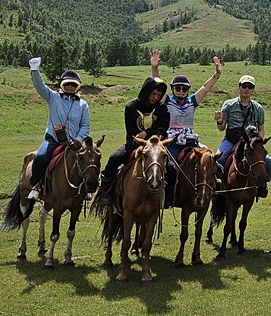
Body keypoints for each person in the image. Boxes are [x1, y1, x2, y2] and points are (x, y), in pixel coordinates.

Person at [150, 50, 222, 207]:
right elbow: (158, 83)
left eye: (184, 89)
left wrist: (217, 74)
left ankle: (213, 189)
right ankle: (169, 195)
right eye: (178, 88)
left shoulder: (192, 101)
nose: (181, 91)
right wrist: (154, 68)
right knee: (170, 167)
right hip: (173, 142)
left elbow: (205, 88)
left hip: (190, 140)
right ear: (172, 89)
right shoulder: (167, 101)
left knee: (211, 161)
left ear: (188, 90)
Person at [96, 74, 170, 205]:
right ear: (147, 91)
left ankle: (168, 196)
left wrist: (146, 132)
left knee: (172, 167)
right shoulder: (131, 108)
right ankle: (105, 192)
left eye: (159, 95)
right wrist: (143, 136)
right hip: (135, 144)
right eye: (153, 94)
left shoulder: (161, 108)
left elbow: (163, 127)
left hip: (156, 147)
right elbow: (132, 132)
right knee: (114, 159)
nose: (156, 97)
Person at [26, 58, 90, 200]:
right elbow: (40, 87)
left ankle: (86, 188)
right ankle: (36, 185)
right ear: (62, 85)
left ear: (77, 87)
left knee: (89, 159)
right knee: (41, 157)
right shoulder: (53, 97)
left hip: (75, 142)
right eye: (67, 84)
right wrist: (35, 71)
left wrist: (78, 140)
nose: (70, 87)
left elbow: (85, 126)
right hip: (54, 139)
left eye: (73, 85)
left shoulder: (83, 105)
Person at [213, 74, 271, 198]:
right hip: (231, 140)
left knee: (267, 161)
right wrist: (219, 121)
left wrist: (259, 142)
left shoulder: (258, 108)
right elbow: (221, 128)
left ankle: (262, 185)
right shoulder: (229, 105)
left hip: (251, 142)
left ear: (253, 90)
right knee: (218, 160)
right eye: (244, 86)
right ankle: (217, 186)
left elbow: (261, 129)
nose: (247, 89)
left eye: (250, 87)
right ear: (239, 87)